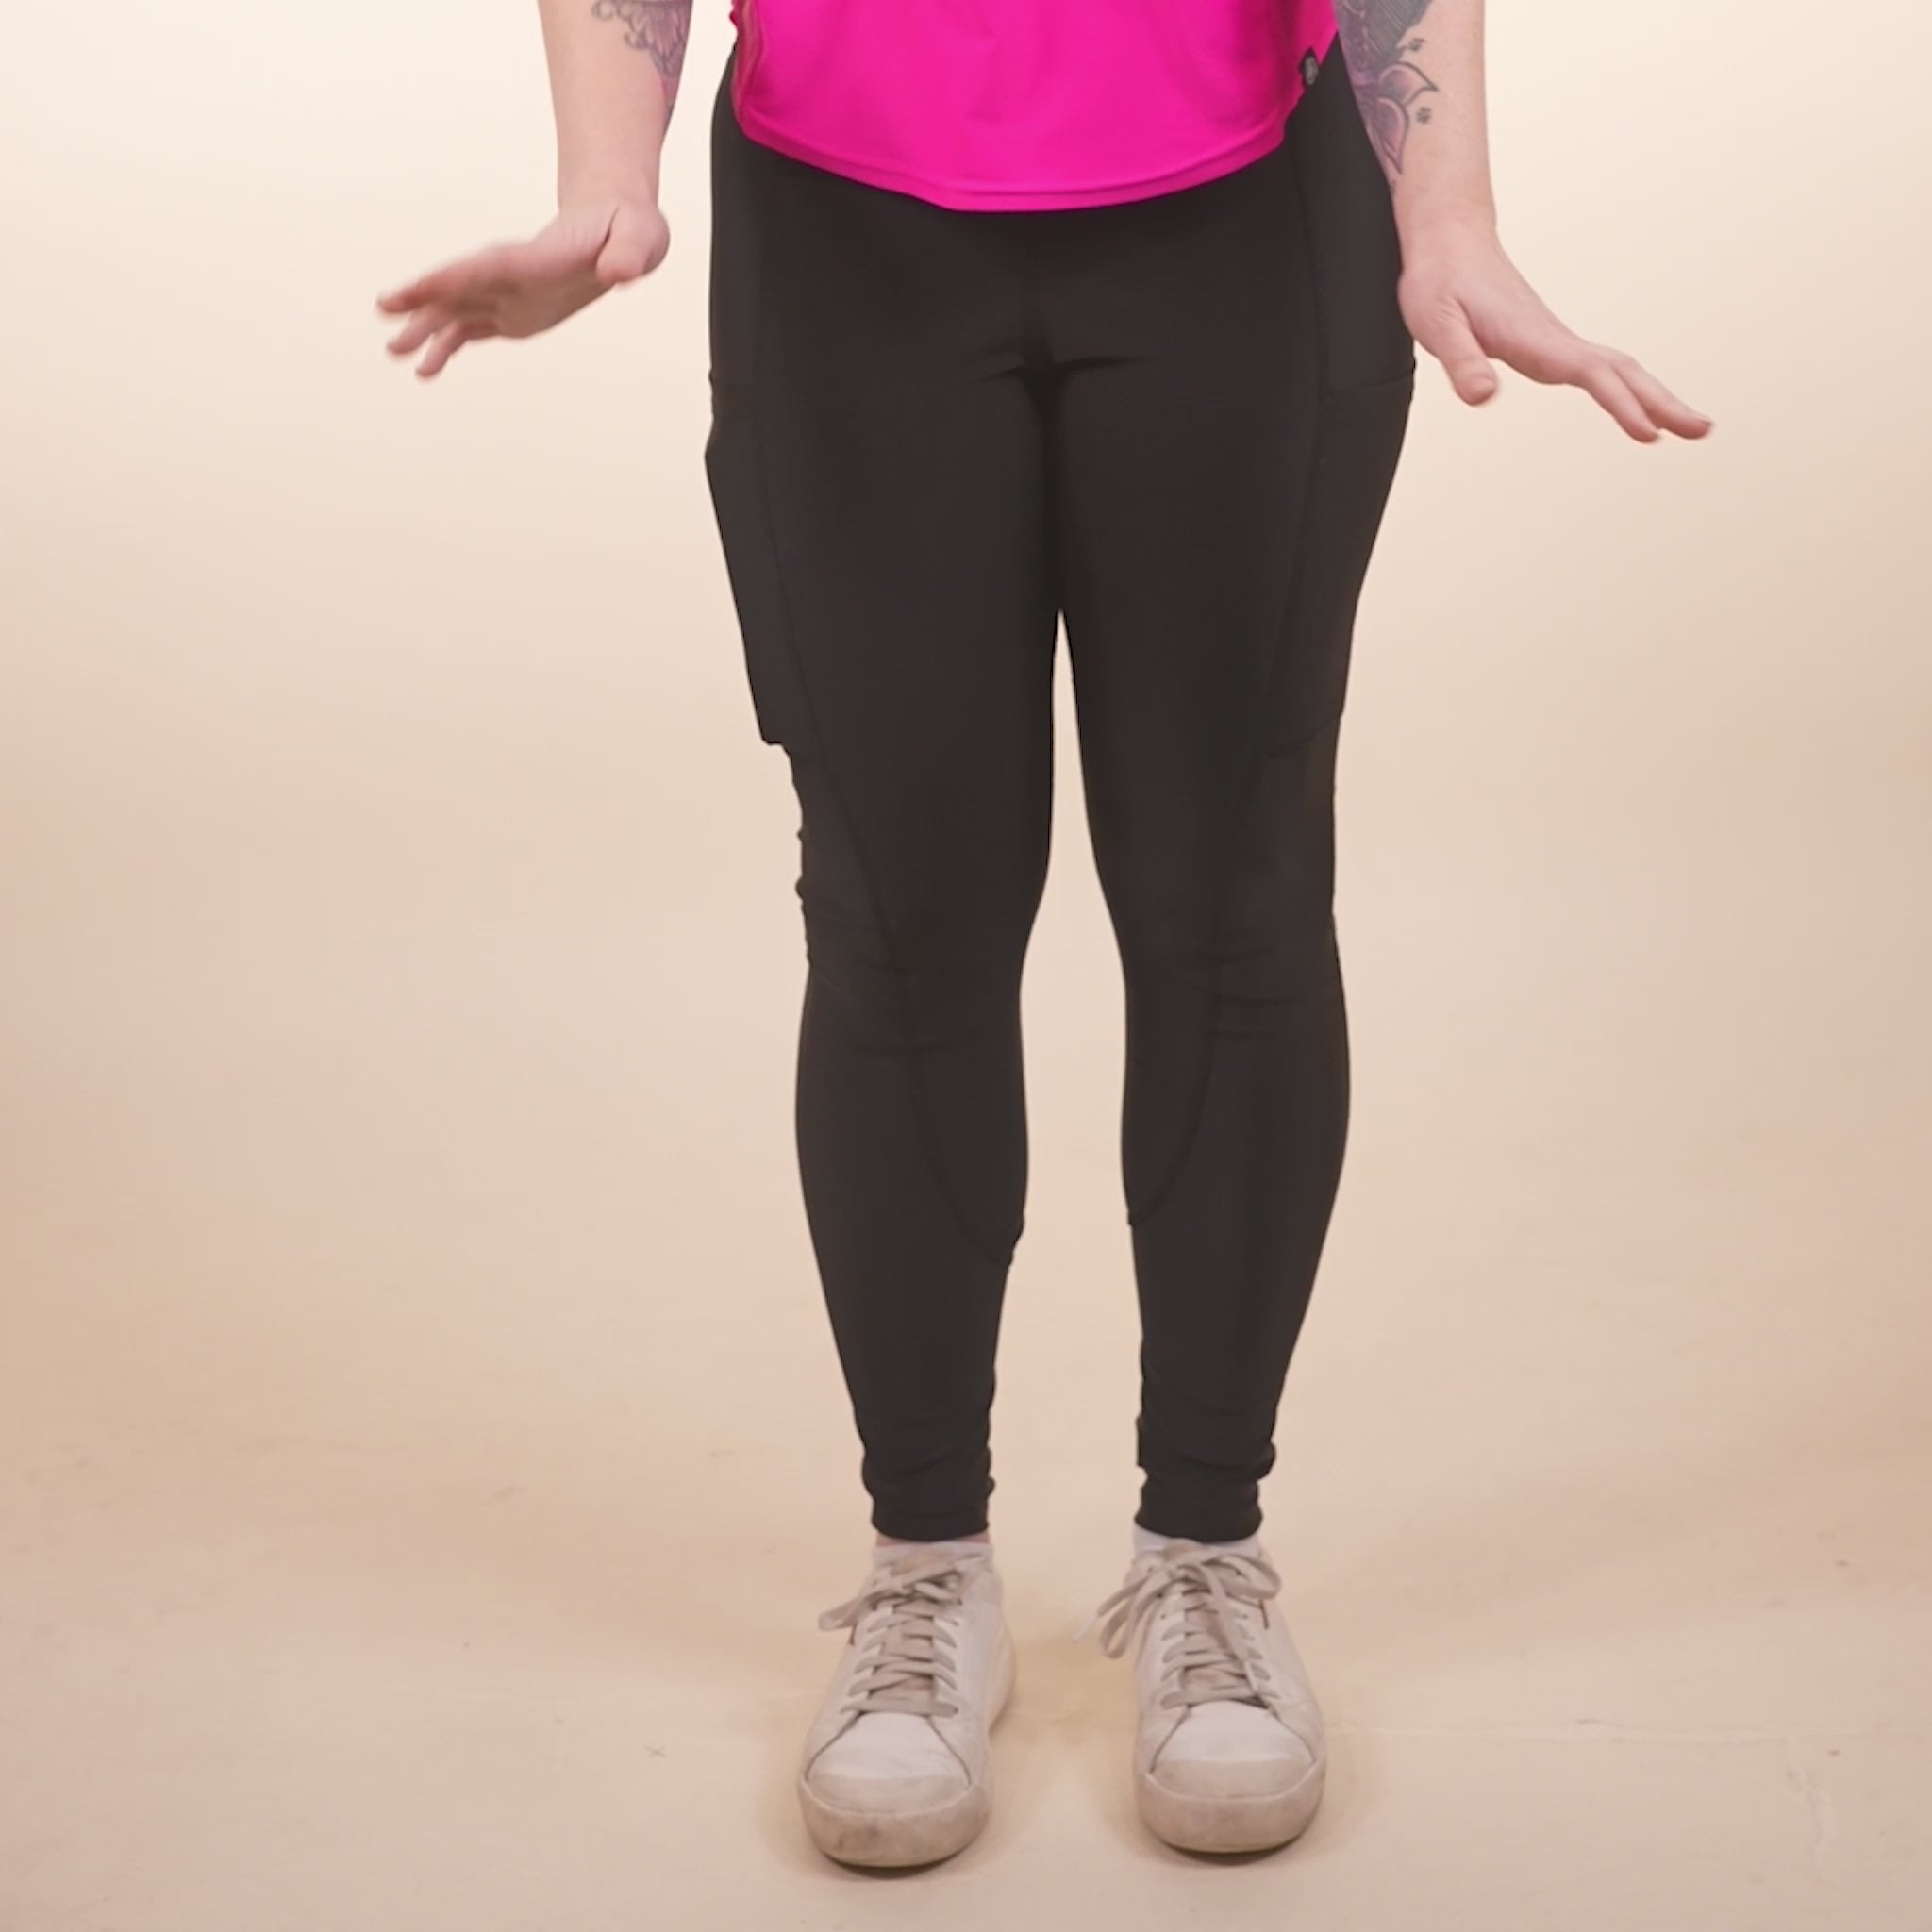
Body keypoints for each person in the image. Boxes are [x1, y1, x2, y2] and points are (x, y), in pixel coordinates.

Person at [375, 0, 1710, 1871]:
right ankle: (926, 1569)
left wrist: (1448, 207)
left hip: (1244, 225)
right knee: (898, 919)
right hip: (847, 239)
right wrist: (606, 179)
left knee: (1232, 901)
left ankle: (1205, 1553)